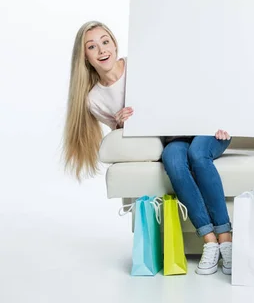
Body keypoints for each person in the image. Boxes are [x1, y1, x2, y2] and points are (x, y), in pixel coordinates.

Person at [63, 21, 233, 276]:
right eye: (92, 46)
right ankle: (208, 240)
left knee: (198, 154)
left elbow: (188, 84)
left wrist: (220, 118)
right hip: (172, 137)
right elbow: (123, 138)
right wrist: (121, 125)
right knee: (173, 161)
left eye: (105, 41)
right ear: (84, 56)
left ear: (114, 42)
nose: (101, 50)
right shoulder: (94, 99)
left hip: (207, 127)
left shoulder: (138, 64)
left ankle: (226, 238)